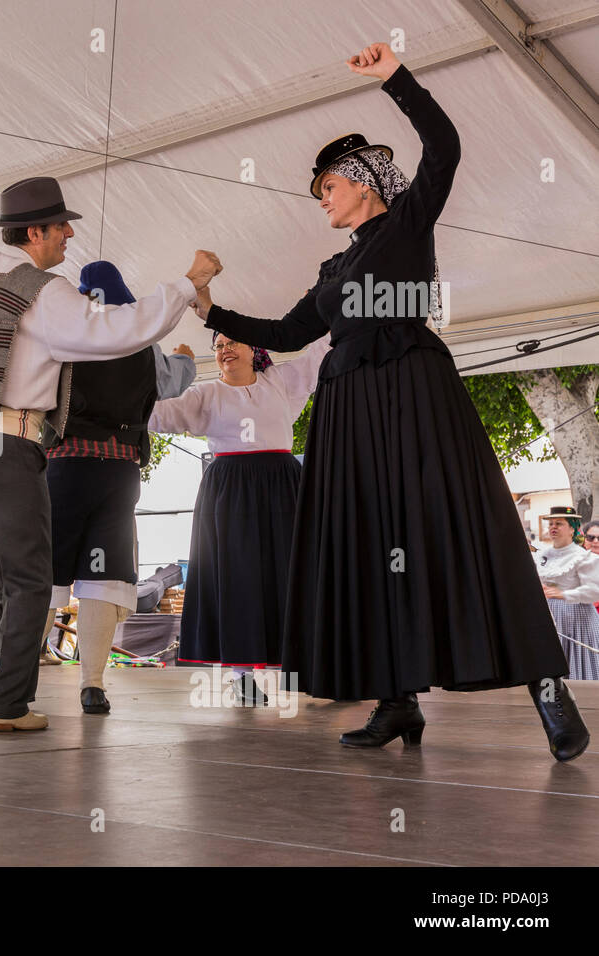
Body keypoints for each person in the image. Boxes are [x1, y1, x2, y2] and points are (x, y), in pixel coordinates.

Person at [195, 43, 587, 759]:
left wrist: (394, 80)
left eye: (328, 189)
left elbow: (445, 144)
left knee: (470, 531)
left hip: (414, 394)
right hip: (348, 409)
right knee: (368, 547)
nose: (322, 202)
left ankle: (551, 696)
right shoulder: (334, 267)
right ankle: (396, 704)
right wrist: (213, 312)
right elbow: (287, 332)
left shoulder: (407, 224)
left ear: (363, 181)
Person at [0, 176, 222, 731]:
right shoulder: (48, 292)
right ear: (35, 232)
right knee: (29, 574)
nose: (68, 234)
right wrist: (187, 281)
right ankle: (7, 704)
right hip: (3, 444)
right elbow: (122, 330)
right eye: (60, 226)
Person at [45, 260, 199, 715]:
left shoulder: (67, 338)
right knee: (103, 579)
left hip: (64, 469)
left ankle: (13, 681)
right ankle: (92, 686)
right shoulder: (140, 339)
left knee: (43, 574)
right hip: (118, 475)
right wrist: (188, 357)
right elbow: (172, 381)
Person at [149, 329, 331, 704]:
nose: (224, 350)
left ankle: (304, 668)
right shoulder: (205, 393)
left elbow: (318, 354)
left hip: (283, 485)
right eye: (218, 346)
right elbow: (157, 415)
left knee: (292, 573)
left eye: (232, 342)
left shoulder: (280, 381)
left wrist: (339, 307)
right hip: (230, 491)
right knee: (238, 577)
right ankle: (242, 676)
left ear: (254, 348)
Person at [535, 507, 599, 680]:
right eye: (551, 524)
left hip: (576, 616)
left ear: (572, 529)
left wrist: (564, 594)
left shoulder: (584, 557)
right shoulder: (542, 556)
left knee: (576, 662)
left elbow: (594, 591)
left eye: (559, 524)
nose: (553, 527)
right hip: (548, 615)